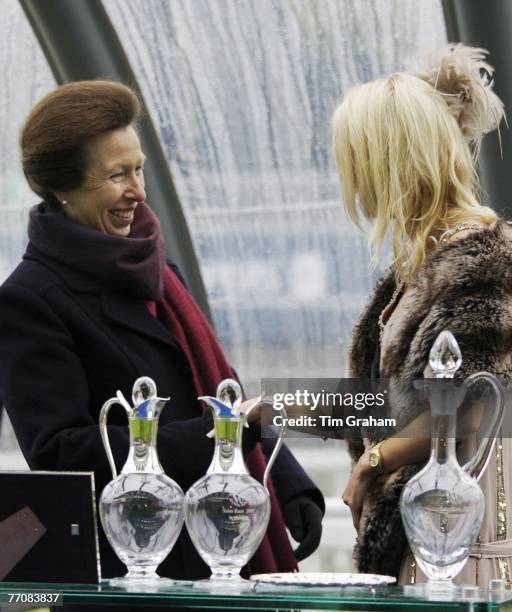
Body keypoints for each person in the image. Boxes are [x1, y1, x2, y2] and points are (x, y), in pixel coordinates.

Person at [0, 80, 323, 582]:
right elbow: (62, 453)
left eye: (139, 168)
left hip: (219, 549)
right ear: (62, 188)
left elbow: (223, 388)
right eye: (116, 175)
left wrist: (287, 484)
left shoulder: (158, 271)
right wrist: (219, 438)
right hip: (139, 571)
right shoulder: (30, 299)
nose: (138, 192)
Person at [332, 44, 511, 585]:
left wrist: (373, 461)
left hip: (462, 542)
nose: (351, 180)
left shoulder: (483, 259)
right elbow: (387, 405)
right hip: (430, 528)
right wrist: (275, 408)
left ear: (386, 161)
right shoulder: (423, 266)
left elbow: (471, 402)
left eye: (354, 158)